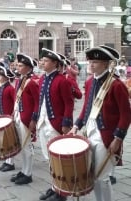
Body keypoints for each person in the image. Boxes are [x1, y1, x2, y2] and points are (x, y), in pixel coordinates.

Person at [70, 45, 131, 201]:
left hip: (106, 136)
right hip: (90, 132)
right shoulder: (90, 82)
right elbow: (86, 108)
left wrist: (118, 139)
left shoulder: (116, 85)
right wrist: (76, 126)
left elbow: (126, 114)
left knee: (102, 176)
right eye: (90, 61)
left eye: (95, 62)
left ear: (106, 64)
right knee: (93, 175)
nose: (91, 64)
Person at [37, 48, 74, 201]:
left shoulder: (62, 80)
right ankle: (55, 186)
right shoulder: (42, 79)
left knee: (59, 160)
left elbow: (69, 103)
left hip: (55, 124)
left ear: (54, 63)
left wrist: (66, 122)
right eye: (42, 60)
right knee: (50, 159)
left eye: (45, 61)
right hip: (43, 122)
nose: (42, 63)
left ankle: (62, 193)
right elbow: (40, 102)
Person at [9, 53, 39, 185]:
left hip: (26, 118)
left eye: (21, 65)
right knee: (22, 145)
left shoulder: (32, 82)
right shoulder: (20, 80)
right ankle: (24, 170)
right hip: (18, 115)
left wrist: (34, 119)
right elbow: (17, 100)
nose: (18, 67)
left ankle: (28, 173)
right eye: (18, 65)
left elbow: (38, 103)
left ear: (28, 67)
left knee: (27, 146)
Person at [0, 65, 16, 172]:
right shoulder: (1, 87)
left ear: (7, 77)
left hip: (7, 116)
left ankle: (10, 162)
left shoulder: (10, 89)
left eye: (1, 75)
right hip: (1, 114)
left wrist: (12, 115)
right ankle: (6, 160)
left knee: (9, 140)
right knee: (3, 140)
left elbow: (14, 103)